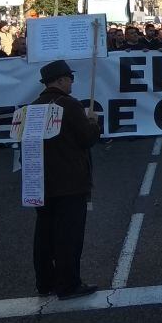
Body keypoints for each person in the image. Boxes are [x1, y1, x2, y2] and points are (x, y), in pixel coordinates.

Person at [31, 60, 101, 300]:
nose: (72, 83)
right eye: (69, 78)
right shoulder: (69, 105)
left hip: (41, 181)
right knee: (69, 235)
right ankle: (69, 283)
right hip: (70, 181)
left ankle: (45, 281)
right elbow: (86, 138)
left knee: (44, 233)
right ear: (61, 80)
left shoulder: (34, 106)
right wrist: (93, 123)